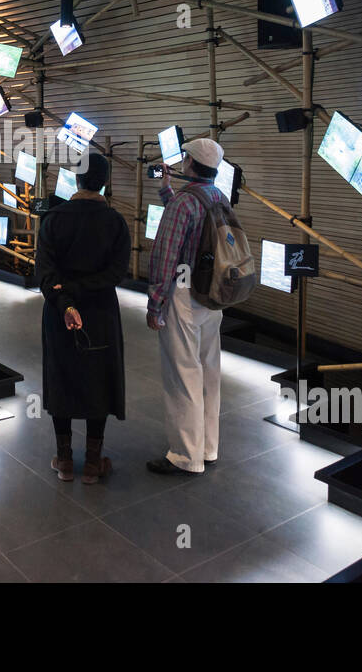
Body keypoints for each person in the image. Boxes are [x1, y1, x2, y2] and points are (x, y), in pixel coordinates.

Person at [34, 152, 131, 484]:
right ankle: (92, 462)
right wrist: (83, 288)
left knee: (61, 376)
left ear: (75, 178)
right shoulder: (115, 222)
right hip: (100, 312)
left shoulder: (53, 220)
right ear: (105, 182)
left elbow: (45, 273)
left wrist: (65, 300)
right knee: (98, 380)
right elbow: (117, 272)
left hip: (61, 313)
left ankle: (63, 461)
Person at [145, 137, 229, 476]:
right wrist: (167, 189)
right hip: (214, 295)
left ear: (190, 164)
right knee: (209, 371)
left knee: (183, 374)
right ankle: (208, 448)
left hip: (183, 294)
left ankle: (184, 456)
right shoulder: (218, 197)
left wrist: (155, 305)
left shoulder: (184, 203)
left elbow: (166, 256)